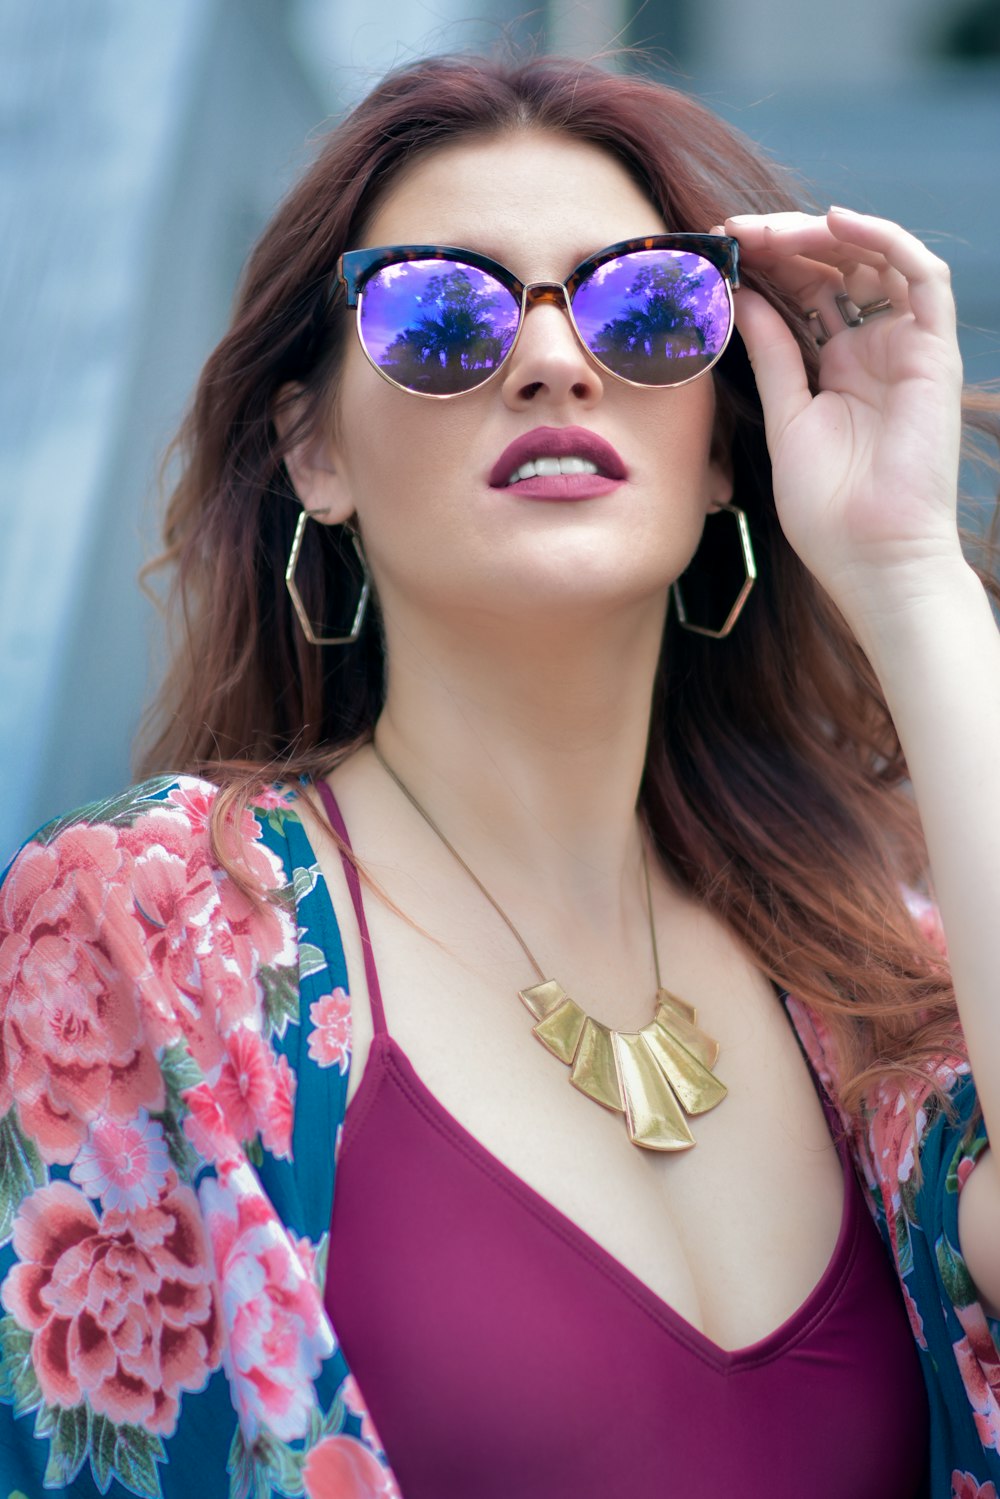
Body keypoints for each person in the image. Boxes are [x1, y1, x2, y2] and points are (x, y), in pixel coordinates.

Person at [1, 50, 999, 1499]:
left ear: (726, 446)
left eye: (646, 305)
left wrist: (908, 575)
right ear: (312, 449)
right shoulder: (145, 926)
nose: (550, 357)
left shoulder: (877, 977)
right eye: (438, 312)